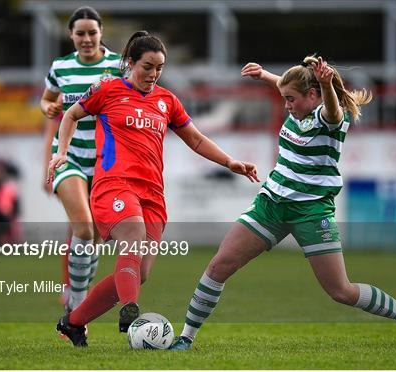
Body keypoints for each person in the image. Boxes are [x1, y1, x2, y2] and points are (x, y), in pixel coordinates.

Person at [170, 56, 396, 350]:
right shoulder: (297, 107)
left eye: (291, 99)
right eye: (284, 98)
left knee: (341, 291)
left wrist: (325, 84)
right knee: (218, 267)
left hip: (311, 211)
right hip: (272, 203)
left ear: (312, 95)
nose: (286, 105)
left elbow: (331, 109)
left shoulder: (330, 117)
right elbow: (286, 86)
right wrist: (264, 75)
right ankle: (186, 338)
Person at [47, 30, 259, 347]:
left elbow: (196, 139)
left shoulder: (167, 100)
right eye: (148, 66)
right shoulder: (107, 89)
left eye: (160, 67)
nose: (154, 73)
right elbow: (72, 115)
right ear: (130, 62)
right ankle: (131, 311)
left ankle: (73, 322)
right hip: (114, 184)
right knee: (131, 234)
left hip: (152, 194)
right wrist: (61, 152)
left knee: (140, 272)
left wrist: (230, 162)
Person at [40, 6, 123, 312]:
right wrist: (46, 107)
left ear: (101, 33)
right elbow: (48, 100)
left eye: (92, 33)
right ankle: (75, 303)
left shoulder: (118, 65)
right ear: (70, 35)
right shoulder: (60, 67)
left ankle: (77, 294)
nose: (86, 39)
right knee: (83, 228)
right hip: (70, 157)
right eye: (80, 33)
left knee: (96, 237)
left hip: (105, 162)